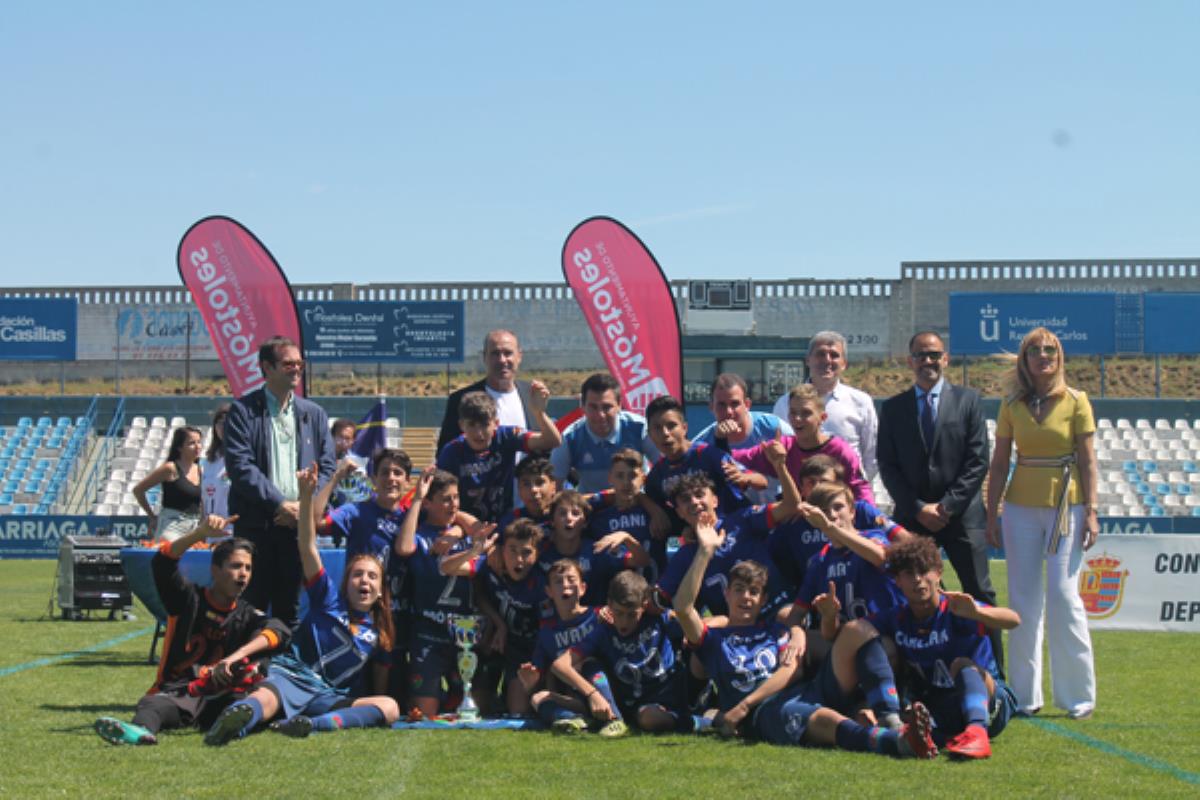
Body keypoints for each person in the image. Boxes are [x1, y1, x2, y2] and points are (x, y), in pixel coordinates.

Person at [672, 520, 937, 758]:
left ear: (763, 600)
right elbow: (683, 607)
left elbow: (793, 669)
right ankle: (899, 742)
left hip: (801, 692)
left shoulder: (775, 630)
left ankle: (888, 716)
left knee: (859, 630)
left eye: (754, 592)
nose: (746, 598)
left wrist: (813, 625)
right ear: (727, 594)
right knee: (824, 719)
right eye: (739, 590)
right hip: (764, 712)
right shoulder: (713, 639)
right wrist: (705, 551)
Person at [204, 464, 400, 743]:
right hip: (294, 676)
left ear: (381, 591)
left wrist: (371, 706)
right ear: (347, 583)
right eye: (357, 575)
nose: (364, 581)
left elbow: (379, 679)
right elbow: (307, 547)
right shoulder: (328, 598)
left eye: (372, 577)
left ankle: (310, 724)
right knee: (265, 699)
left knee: (389, 707)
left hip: (328, 696)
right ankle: (234, 721)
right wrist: (306, 497)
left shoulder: (382, 632)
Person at [94, 514, 290, 745]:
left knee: (254, 700)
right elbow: (163, 562)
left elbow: (280, 631)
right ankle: (140, 732)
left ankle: (274, 725)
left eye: (248, 568)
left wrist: (234, 659)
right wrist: (199, 534)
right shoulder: (188, 599)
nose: (243, 574)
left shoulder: (247, 614)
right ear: (215, 571)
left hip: (220, 696)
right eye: (236, 566)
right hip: (180, 692)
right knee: (153, 705)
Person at [985, 327, 1099, 720]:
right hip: (1019, 507)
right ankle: (1024, 694)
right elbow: (999, 463)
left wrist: (1094, 510)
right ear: (1025, 358)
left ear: (1060, 357)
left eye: (1050, 349)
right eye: (1035, 350)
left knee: (1065, 598)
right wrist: (991, 512)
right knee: (1023, 600)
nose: (1043, 355)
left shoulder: (1077, 401)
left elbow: (1087, 461)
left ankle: (1078, 695)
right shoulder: (1011, 404)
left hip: (1067, 507)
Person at [877, 331, 1002, 668]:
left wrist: (946, 507)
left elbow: (978, 461)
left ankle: (996, 676)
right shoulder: (893, 408)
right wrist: (918, 508)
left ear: (946, 359)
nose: (928, 361)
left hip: (962, 518)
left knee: (980, 594)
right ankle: (913, 673)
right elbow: (887, 466)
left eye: (934, 355)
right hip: (913, 519)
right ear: (910, 361)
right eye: (921, 355)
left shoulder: (969, 401)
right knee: (907, 594)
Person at [862, 536, 1020, 759]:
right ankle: (897, 725)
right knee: (872, 642)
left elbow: (1013, 620)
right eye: (908, 574)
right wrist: (829, 618)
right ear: (897, 580)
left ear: (938, 573)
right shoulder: (897, 617)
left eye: (924, 570)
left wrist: (977, 613)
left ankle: (977, 732)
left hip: (990, 702)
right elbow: (855, 631)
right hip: (941, 705)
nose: (918, 579)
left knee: (962, 665)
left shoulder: (957, 607)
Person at [225, 336, 336, 629]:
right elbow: (240, 466)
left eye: (300, 363)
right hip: (257, 526)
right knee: (250, 607)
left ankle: (287, 672)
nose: (297, 369)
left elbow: (327, 465)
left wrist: (303, 506)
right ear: (267, 367)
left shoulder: (314, 414)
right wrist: (279, 503)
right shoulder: (242, 412)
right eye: (288, 363)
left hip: (297, 529)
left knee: (291, 609)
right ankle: (247, 671)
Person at [655, 431, 798, 619]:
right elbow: (657, 600)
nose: (695, 502)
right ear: (679, 512)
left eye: (700, 495)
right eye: (685, 500)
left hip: (778, 611)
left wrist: (780, 467)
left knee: (788, 617)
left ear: (715, 500)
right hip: (733, 634)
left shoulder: (743, 520)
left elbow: (791, 505)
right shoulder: (685, 556)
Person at [550, 570, 692, 733]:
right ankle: (612, 720)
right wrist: (592, 694)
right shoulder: (604, 630)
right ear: (609, 605)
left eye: (632, 615)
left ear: (645, 605)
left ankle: (696, 721)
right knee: (543, 695)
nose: (624, 621)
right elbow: (559, 665)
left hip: (663, 700)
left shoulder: (659, 619)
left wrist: (672, 614)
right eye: (619, 613)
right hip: (626, 703)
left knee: (650, 718)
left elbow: (707, 626)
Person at [736, 384, 874, 503]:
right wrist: (719, 439)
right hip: (795, 524)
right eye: (793, 412)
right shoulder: (782, 447)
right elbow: (736, 457)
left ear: (822, 417)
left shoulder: (840, 451)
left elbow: (861, 491)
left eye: (806, 413)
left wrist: (874, 525)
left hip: (832, 523)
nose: (797, 418)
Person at [771, 331, 878, 481]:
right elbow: (779, 451)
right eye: (820, 354)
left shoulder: (861, 402)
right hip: (801, 495)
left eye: (834, 355)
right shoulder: (785, 403)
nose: (827, 360)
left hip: (846, 495)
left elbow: (871, 455)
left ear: (844, 364)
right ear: (808, 360)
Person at [550, 372, 659, 493]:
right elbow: (554, 486)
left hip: (636, 505)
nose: (600, 415)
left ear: (619, 405)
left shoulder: (640, 428)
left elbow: (664, 468)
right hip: (592, 507)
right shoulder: (570, 437)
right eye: (593, 407)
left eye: (607, 407)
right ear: (582, 406)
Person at [694, 373, 794, 504]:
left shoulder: (774, 427)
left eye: (735, 404)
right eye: (721, 405)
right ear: (711, 407)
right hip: (735, 518)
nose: (729, 411)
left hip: (778, 510)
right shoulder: (702, 444)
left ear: (747, 404)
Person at [437, 329, 537, 451]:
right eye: (495, 353)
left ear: (519, 356)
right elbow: (445, 453)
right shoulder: (460, 400)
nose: (502, 360)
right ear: (485, 357)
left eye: (508, 353)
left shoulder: (532, 394)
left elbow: (544, 445)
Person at [133, 425, 204, 541]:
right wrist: (152, 516)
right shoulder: (170, 468)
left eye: (199, 442)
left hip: (194, 526)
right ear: (179, 447)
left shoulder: (200, 470)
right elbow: (138, 490)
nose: (197, 447)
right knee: (169, 556)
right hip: (172, 525)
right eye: (191, 443)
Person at [201, 404, 231, 519]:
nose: (223, 427)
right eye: (219, 423)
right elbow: (204, 498)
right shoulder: (209, 461)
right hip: (211, 531)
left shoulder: (245, 458)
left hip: (233, 529)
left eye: (227, 422)